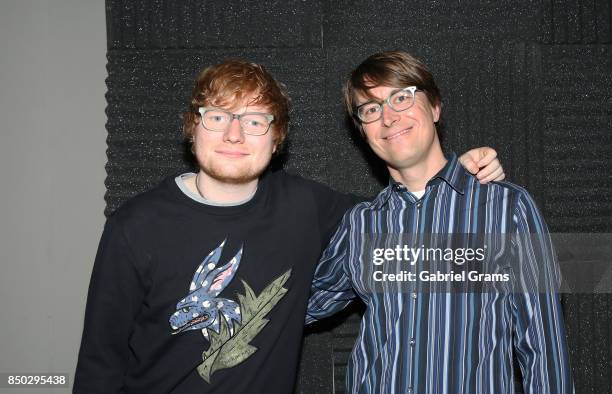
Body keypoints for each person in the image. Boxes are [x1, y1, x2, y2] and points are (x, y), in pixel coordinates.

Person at [73, 59, 505, 393]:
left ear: (277, 139)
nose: (235, 135)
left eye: (255, 121)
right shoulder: (136, 225)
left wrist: (452, 175)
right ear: (193, 126)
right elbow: (100, 362)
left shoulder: (305, 206)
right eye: (218, 116)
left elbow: (400, 214)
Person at [306, 51, 574, 393]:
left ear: (435, 108)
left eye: (401, 97)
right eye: (371, 109)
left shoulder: (506, 208)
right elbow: (300, 304)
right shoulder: (361, 224)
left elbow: (543, 346)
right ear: (363, 130)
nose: (388, 117)